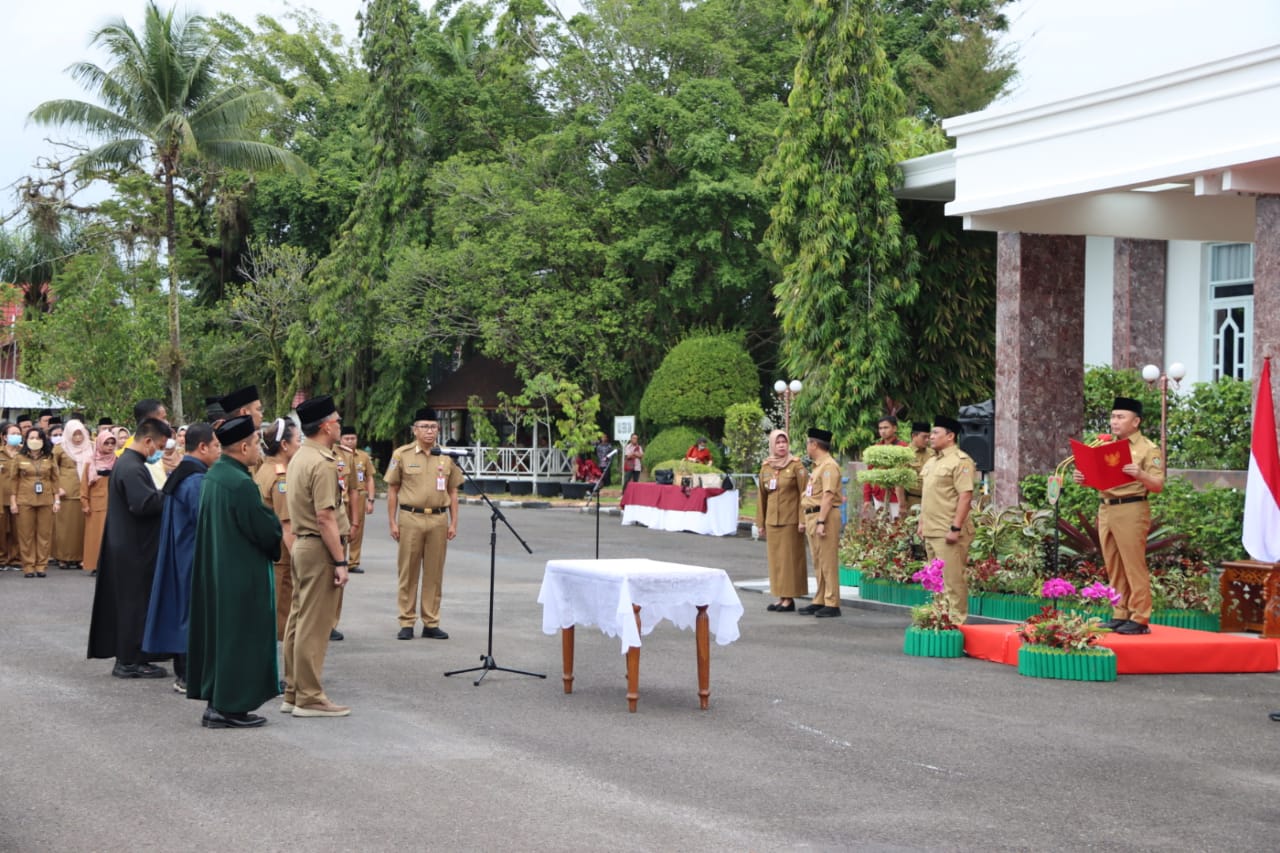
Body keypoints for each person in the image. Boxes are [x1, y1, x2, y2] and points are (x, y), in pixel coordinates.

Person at [185, 416, 283, 729]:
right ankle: (228, 706)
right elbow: (263, 528)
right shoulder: (239, 483)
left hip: (221, 569)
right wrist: (275, 527)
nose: (259, 450)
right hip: (239, 574)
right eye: (256, 444)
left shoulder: (216, 475)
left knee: (225, 638)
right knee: (239, 640)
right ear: (243, 446)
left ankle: (220, 703)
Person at [87, 417, 174, 678]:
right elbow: (143, 504)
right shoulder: (131, 466)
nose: (158, 452)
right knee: (133, 605)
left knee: (134, 603)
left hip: (130, 544)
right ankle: (129, 660)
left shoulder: (128, 463)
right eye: (158, 446)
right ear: (148, 441)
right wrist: (171, 489)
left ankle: (134, 657)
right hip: (133, 548)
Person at [281, 395, 351, 717]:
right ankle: (309, 696)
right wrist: (340, 561)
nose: (339, 425)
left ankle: (294, 691)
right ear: (325, 426)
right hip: (318, 546)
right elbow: (325, 517)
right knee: (314, 623)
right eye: (336, 421)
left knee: (299, 618)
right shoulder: (321, 462)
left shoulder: (299, 456)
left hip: (303, 545)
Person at [1072, 396, 1165, 636]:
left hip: (1132, 508)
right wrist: (1084, 479)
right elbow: (1101, 478)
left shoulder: (1148, 448)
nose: (1115, 422)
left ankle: (1140, 616)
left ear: (1136, 422)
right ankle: (1120, 612)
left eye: (1120, 417)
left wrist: (1141, 474)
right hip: (1106, 507)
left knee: (1133, 564)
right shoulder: (1104, 446)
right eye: (1113, 417)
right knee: (1113, 564)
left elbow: (1157, 485)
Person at [142, 423, 220, 694]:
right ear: (202, 447)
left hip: (180, 549)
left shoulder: (182, 473)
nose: (219, 452)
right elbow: (206, 521)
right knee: (192, 613)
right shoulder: (196, 480)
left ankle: (183, 673)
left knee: (182, 611)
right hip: (192, 554)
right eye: (216, 446)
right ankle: (189, 675)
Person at [385, 407, 462, 641]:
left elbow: (453, 491)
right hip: (411, 518)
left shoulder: (445, 456)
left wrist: (453, 522)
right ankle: (407, 621)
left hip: (438, 518)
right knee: (408, 571)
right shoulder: (402, 454)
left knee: (434, 573)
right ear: (415, 430)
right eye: (425, 427)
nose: (430, 432)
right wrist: (392, 521)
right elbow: (392, 489)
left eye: (433, 427)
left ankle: (431, 622)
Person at [918, 416, 976, 623]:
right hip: (932, 530)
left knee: (952, 579)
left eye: (936, 433)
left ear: (950, 436)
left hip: (948, 531)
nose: (931, 437)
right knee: (934, 580)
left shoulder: (961, 461)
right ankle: (939, 619)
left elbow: (965, 496)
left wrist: (955, 527)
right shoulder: (933, 461)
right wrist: (922, 522)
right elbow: (929, 495)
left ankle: (956, 622)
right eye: (931, 433)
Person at [255, 418, 299, 641]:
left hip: (268, 553)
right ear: (284, 445)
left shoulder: (264, 468)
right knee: (281, 624)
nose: (299, 445)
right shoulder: (281, 476)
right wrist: (301, 562)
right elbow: (287, 524)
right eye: (297, 440)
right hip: (281, 557)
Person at [756, 429, 808, 613]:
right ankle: (780, 596)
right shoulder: (766, 467)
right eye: (777, 443)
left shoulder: (797, 466)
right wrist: (760, 523)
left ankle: (789, 599)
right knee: (776, 561)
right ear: (772, 445)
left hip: (791, 521)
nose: (781, 446)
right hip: (772, 521)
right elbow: (761, 497)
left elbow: (805, 494)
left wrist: (803, 519)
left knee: (789, 561)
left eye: (784, 442)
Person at [798, 428, 844, 618]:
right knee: (818, 561)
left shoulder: (829, 466)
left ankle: (832, 602)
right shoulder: (818, 466)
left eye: (808, 443)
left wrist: (821, 521)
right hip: (813, 516)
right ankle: (820, 599)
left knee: (827, 560)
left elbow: (827, 495)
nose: (807, 447)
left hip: (823, 516)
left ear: (814, 445)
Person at [9, 426, 60, 578]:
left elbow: (55, 479)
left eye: (38, 438)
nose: (35, 441)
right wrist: (13, 502)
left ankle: (41, 565)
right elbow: (13, 481)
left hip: (46, 499)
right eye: (31, 437)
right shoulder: (19, 457)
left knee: (44, 534)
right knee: (26, 534)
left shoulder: (49, 457)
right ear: (26, 440)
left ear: (43, 440)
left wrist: (57, 500)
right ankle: (28, 566)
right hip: (24, 499)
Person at [52, 418, 92, 571]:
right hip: (66, 493)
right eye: (74, 435)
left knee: (82, 528)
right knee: (65, 528)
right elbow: (52, 470)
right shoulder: (60, 448)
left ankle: (81, 557)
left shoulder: (91, 447)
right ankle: (64, 558)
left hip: (85, 491)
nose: (78, 438)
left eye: (80, 434)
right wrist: (57, 488)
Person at [339, 425, 376, 574]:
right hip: (341, 496)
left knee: (357, 527)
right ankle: (340, 559)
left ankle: (353, 562)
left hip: (359, 495)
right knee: (342, 527)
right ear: (340, 440)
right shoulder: (336, 456)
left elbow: (370, 478)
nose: (349, 441)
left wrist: (371, 500)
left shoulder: (363, 457)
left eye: (352, 438)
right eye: (346, 438)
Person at [81, 431, 117, 577]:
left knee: (112, 535)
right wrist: (85, 502)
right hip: (96, 503)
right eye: (106, 443)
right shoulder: (91, 462)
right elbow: (84, 484)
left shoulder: (118, 460)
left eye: (112, 443)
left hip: (114, 503)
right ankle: (95, 564)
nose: (109, 446)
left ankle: (110, 565)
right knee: (95, 536)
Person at [861, 415, 908, 521]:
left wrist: (902, 502)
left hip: (897, 498)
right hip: (878, 496)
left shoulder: (903, 448)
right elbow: (869, 475)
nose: (882, 431)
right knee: (881, 528)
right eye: (880, 428)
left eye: (886, 427)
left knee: (897, 528)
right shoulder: (875, 449)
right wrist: (867, 499)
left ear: (894, 428)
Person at [0, 421, 22, 570]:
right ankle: (1, 559)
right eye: (13, 434)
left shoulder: (24, 453)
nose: (16, 436)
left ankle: (15, 559)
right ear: (4, 437)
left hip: (19, 496)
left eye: (18, 434)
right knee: (1, 530)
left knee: (18, 530)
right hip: (1, 497)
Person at [901, 422, 933, 517]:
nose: (927, 440)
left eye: (929, 437)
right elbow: (899, 483)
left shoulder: (933, 453)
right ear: (914, 436)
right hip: (912, 500)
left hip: (931, 501)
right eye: (924, 437)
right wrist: (902, 505)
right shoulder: (905, 454)